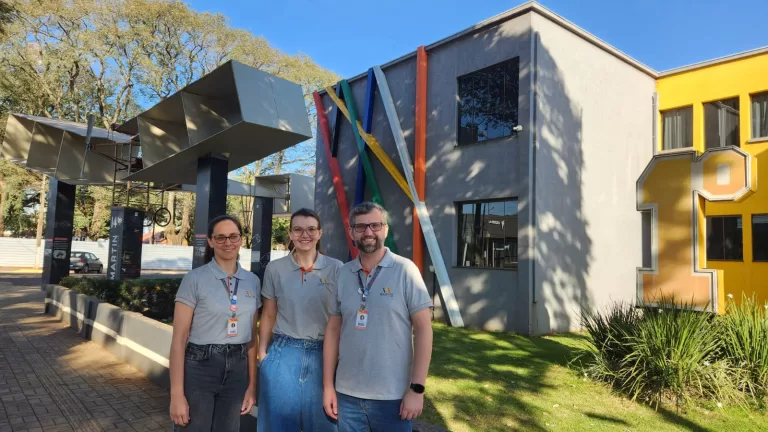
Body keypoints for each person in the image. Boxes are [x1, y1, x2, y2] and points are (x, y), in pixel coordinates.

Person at [323, 202, 434, 432]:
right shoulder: (343, 274)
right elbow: (333, 331)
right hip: (347, 395)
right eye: (361, 227)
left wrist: (417, 389)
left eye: (375, 225)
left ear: (385, 229)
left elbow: (424, 330)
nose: (369, 232)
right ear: (352, 232)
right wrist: (328, 387)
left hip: (393, 397)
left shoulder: (405, 270)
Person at [169, 215, 261, 432]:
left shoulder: (252, 281)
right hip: (200, 367)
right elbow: (179, 339)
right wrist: (176, 394)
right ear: (210, 241)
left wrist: (251, 387)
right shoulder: (194, 279)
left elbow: (251, 339)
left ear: (241, 239)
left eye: (233, 236)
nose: (227, 243)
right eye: (220, 237)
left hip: (237, 371)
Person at [257, 208, 344, 432]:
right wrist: (263, 355)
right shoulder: (275, 269)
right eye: (298, 229)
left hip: (324, 354)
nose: (304, 235)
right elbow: (268, 313)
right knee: (277, 426)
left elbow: (343, 317)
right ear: (290, 233)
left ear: (320, 233)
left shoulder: (337, 269)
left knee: (325, 425)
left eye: (311, 229)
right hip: (284, 353)